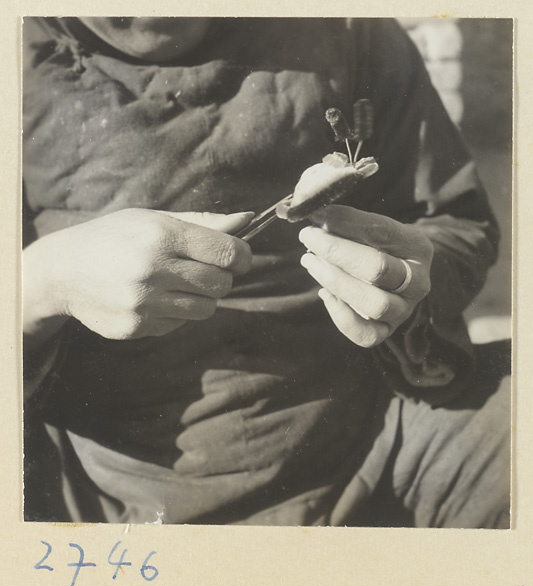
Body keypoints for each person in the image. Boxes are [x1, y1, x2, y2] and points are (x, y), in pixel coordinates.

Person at [22, 17, 510, 527]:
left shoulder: (347, 26)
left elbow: (453, 218)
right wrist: (45, 279)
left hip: (378, 445)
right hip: (103, 501)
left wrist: (407, 279)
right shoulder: (21, 58)